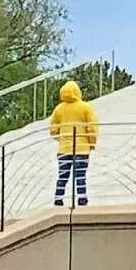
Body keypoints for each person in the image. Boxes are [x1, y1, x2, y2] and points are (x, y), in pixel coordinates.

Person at [49, 78, 98, 207]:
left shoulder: (59, 109)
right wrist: (92, 143)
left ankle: (58, 199)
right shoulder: (85, 107)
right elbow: (92, 127)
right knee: (80, 176)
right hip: (82, 149)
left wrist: (58, 137)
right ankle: (82, 199)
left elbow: (53, 127)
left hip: (64, 149)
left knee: (63, 176)